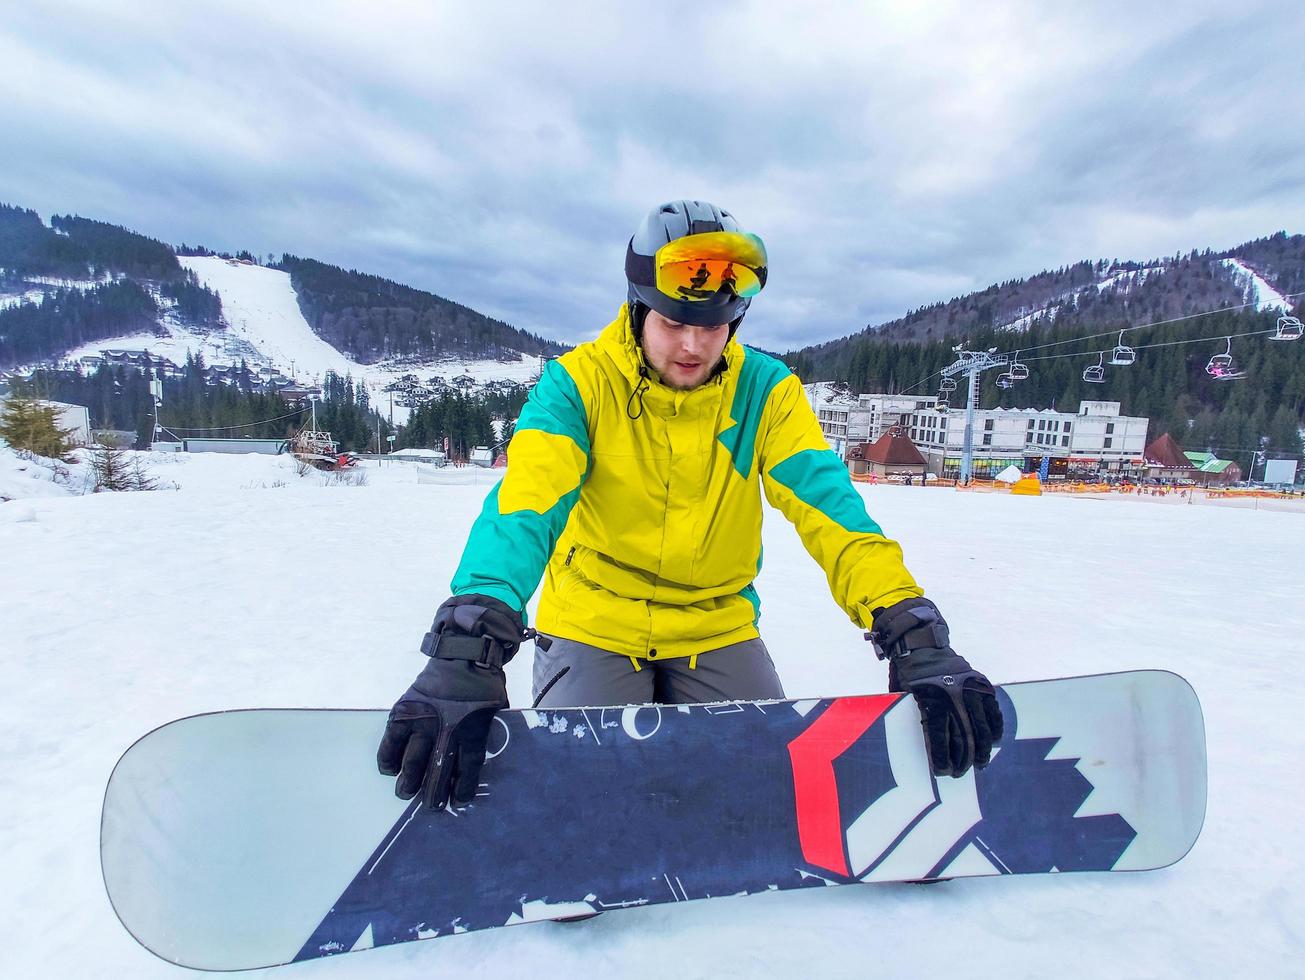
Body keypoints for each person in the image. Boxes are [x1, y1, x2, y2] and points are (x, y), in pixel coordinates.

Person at [377, 199, 1003, 811]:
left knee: (762, 786)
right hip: (597, 617)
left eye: (712, 327)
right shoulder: (577, 384)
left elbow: (830, 511)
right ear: (637, 309)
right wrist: (470, 637)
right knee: (583, 790)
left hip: (715, 622)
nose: (693, 346)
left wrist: (911, 629)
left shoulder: (768, 393)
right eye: (674, 322)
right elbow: (526, 503)